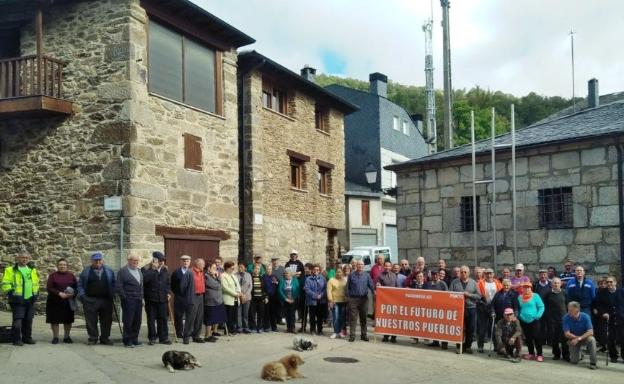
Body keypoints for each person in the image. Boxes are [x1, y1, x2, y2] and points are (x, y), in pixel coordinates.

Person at [2, 249, 40, 346]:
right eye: (22, 257)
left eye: (26, 258)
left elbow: (36, 283)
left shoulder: (32, 269)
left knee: (28, 320)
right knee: (18, 321)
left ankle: (27, 338)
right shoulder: (10, 270)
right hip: (17, 300)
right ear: (18, 258)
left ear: (29, 259)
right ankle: (16, 339)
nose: (24, 259)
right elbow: (5, 283)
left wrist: (36, 294)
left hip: (30, 299)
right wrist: (11, 292)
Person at [77, 252, 115, 346]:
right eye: (96, 260)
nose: (98, 262)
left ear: (102, 260)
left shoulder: (109, 270)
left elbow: (114, 283)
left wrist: (113, 293)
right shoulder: (86, 271)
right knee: (91, 320)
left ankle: (105, 338)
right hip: (90, 300)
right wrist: (82, 296)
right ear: (92, 261)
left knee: (106, 320)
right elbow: (80, 285)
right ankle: (93, 338)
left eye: (99, 260)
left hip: (106, 300)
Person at [142, 251, 171, 345]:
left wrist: (168, 292)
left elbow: (167, 283)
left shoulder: (165, 270)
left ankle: (163, 338)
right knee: (151, 319)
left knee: (163, 319)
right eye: (160, 260)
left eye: (163, 260)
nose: (162, 262)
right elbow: (145, 281)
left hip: (162, 298)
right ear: (155, 260)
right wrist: (153, 270)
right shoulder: (146, 269)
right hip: (151, 299)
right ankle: (152, 338)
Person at [449, 265, 480, 354]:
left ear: (468, 273)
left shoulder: (473, 283)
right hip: (458, 309)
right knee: (459, 328)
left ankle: (468, 346)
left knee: (470, 328)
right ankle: (459, 346)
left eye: (465, 272)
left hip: (471, 308)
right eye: (461, 272)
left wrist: (469, 295)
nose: (463, 274)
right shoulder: (454, 282)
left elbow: (479, 296)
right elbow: (449, 294)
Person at [45, 258, 77, 344]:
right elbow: (49, 288)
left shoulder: (71, 275)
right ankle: (55, 337)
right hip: (54, 301)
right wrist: (59, 293)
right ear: (57, 266)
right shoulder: (53, 275)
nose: (62, 266)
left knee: (68, 320)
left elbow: (76, 287)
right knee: (55, 320)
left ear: (67, 266)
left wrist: (73, 294)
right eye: (60, 265)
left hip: (68, 301)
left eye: (64, 265)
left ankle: (66, 337)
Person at [115, 254, 144, 348]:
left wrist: (142, 298)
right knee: (128, 321)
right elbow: (119, 286)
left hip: (138, 300)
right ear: (128, 260)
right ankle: (127, 340)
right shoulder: (123, 271)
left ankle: (134, 339)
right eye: (133, 260)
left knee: (137, 321)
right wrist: (124, 297)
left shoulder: (139, 271)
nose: (135, 262)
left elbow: (141, 286)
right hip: (128, 300)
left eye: (137, 261)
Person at [594, 275, 622, 363]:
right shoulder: (601, 292)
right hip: (609, 319)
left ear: (615, 283)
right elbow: (598, 305)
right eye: (607, 282)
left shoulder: (621, 291)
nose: (609, 284)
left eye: (611, 282)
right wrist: (603, 313)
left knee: (623, 338)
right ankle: (613, 355)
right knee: (610, 338)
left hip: (621, 318)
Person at [563, 301, 598, 370]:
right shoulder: (565, 318)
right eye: (568, 309)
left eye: (571, 310)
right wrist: (576, 338)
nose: (568, 312)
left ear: (577, 310)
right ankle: (581, 355)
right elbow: (566, 334)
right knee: (574, 361)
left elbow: (591, 332)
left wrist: (579, 339)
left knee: (592, 340)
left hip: (584, 338)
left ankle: (593, 362)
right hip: (573, 338)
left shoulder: (586, 317)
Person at [347, 260, 375, 342]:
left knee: (364, 318)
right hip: (353, 299)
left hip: (364, 299)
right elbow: (347, 287)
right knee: (353, 318)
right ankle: (352, 335)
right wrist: (348, 298)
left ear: (364, 266)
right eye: (358, 264)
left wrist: (376, 292)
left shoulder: (367, 275)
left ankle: (364, 335)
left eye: (361, 265)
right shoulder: (351, 275)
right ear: (356, 265)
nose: (360, 266)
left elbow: (371, 286)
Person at [170, 255, 195, 344]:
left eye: (187, 261)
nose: (185, 262)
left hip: (189, 298)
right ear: (181, 262)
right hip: (179, 297)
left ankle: (187, 334)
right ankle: (179, 332)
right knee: (178, 316)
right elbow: (172, 285)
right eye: (184, 261)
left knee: (189, 317)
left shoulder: (192, 272)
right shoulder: (176, 272)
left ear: (190, 262)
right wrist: (177, 293)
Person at [517, 282, 545, 362]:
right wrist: (519, 315)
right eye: (525, 287)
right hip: (523, 320)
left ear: (531, 288)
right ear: (522, 288)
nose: (526, 289)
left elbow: (541, 306)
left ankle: (539, 354)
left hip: (534, 320)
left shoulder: (536, 296)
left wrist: (538, 315)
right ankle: (531, 353)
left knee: (537, 337)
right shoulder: (519, 297)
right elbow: (518, 308)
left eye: (528, 287)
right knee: (528, 338)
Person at [477, 268, 502, 353]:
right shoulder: (480, 283)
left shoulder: (498, 283)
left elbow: (500, 294)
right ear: (485, 274)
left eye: (490, 273)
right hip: (483, 307)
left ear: (493, 274)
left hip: (494, 308)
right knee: (482, 328)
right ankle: (480, 346)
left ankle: (496, 346)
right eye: (487, 273)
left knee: (494, 328)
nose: (489, 275)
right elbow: (478, 294)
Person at [544, 277, 569, 361]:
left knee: (564, 337)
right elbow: (545, 305)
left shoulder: (565, 292)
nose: (556, 284)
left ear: (560, 284)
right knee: (554, 337)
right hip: (552, 319)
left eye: (557, 283)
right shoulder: (548, 294)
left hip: (563, 318)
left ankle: (566, 355)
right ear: (551, 284)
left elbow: (567, 304)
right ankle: (556, 354)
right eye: (554, 283)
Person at [425, 270, 448, 349]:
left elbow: (447, 296)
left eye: (436, 274)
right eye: (433, 274)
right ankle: (435, 341)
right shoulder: (428, 284)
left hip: (441, 308)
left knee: (442, 326)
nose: (435, 276)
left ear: (439, 275)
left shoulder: (443, 284)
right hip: (432, 308)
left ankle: (444, 343)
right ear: (431, 275)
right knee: (435, 326)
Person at [203, 262, 225, 342]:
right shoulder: (206, 276)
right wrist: (218, 278)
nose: (215, 270)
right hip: (210, 301)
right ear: (208, 268)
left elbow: (219, 284)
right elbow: (217, 286)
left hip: (217, 300)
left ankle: (211, 334)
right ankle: (207, 335)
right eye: (213, 268)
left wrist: (217, 276)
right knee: (209, 319)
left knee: (215, 318)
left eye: (216, 268)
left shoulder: (213, 276)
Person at [377, 261, 398, 343]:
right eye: (386, 266)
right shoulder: (380, 276)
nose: (387, 268)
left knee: (394, 319)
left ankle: (393, 337)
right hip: (385, 301)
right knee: (386, 319)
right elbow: (378, 284)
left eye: (389, 266)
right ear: (384, 266)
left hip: (394, 300)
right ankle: (385, 336)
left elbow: (397, 287)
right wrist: (378, 285)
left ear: (391, 267)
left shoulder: (394, 275)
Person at [304, 264, 327, 335]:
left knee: (320, 317)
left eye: (317, 270)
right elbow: (307, 289)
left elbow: (325, 288)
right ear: (312, 270)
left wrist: (321, 295)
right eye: (314, 270)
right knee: (312, 316)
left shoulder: (322, 278)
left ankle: (320, 330)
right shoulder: (308, 279)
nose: (316, 271)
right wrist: (315, 295)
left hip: (321, 300)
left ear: (319, 271)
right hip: (312, 301)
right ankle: (312, 329)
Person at [221, 261, 241, 335]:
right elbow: (225, 288)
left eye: (233, 267)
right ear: (227, 268)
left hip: (235, 298)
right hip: (228, 299)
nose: (232, 269)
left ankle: (233, 329)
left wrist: (238, 292)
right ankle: (227, 330)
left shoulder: (233, 276)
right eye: (231, 267)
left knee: (234, 315)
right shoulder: (223, 276)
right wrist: (235, 294)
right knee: (229, 315)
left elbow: (237, 285)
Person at [327, 266, 347, 339]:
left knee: (342, 318)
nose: (339, 273)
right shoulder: (331, 280)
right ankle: (336, 332)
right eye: (338, 272)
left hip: (343, 301)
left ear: (342, 273)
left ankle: (341, 332)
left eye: (340, 272)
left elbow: (346, 290)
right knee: (335, 317)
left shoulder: (344, 280)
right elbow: (329, 291)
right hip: (335, 301)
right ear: (335, 273)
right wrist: (330, 300)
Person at [533, 269, 552, 345]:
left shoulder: (551, 284)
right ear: (539, 276)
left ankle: (550, 342)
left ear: (547, 275)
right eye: (541, 274)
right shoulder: (535, 285)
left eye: (544, 274)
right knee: (540, 325)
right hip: (539, 309)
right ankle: (542, 341)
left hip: (549, 308)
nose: (543, 276)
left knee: (550, 325)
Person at [249, 264, 267, 333]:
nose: (257, 270)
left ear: (260, 270)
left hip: (261, 299)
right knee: (252, 314)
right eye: (255, 269)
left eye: (258, 269)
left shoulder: (262, 278)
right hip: (253, 299)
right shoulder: (251, 278)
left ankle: (259, 327)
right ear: (253, 269)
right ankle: (253, 327)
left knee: (261, 314)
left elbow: (265, 289)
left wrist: (266, 297)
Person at [236, 261, 252, 334]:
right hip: (238, 296)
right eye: (239, 267)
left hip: (247, 297)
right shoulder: (235, 275)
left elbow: (250, 286)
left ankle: (246, 327)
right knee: (238, 313)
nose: (240, 268)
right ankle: (239, 327)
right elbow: (235, 286)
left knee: (245, 313)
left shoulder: (248, 275)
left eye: (241, 267)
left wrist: (245, 295)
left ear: (245, 268)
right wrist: (240, 294)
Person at [262, 265, 280, 332]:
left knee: (273, 313)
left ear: (271, 270)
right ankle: (266, 327)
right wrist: (265, 296)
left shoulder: (274, 277)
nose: (269, 270)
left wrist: (277, 283)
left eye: (270, 269)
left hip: (274, 297)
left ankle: (274, 327)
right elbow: (262, 288)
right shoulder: (263, 277)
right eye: (267, 269)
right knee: (266, 312)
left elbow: (279, 285)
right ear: (265, 270)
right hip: (266, 297)